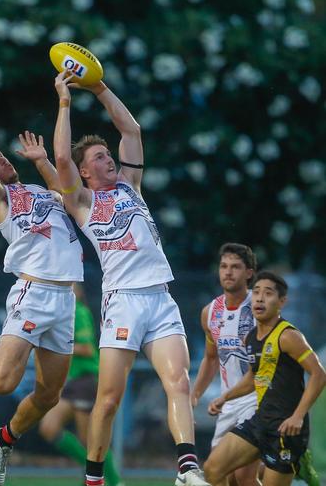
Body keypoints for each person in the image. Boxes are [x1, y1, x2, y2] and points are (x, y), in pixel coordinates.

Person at [52, 71, 208, 486]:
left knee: (178, 380)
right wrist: (65, 102)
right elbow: (62, 160)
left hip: (160, 297)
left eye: (108, 154)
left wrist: (98, 87)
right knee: (107, 400)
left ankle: (187, 467)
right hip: (122, 302)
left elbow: (131, 128)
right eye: (100, 158)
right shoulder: (82, 202)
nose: (109, 160)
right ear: (86, 173)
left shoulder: (131, 186)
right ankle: (94, 478)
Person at [0, 84, 84, 485]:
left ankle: (3, 438)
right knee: (0, 384)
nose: (0, 159)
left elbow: (70, 198)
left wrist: (43, 160)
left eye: (0, 155)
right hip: (32, 294)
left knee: (50, 395)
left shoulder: (38, 190)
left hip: (65, 300)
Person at [204, 271, 326, 486]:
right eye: (257, 292)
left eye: (268, 293)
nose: (259, 298)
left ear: (281, 302)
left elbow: (318, 374)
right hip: (260, 421)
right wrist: (226, 397)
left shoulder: (289, 336)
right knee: (212, 469)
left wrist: (298, 416)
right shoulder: (251, 337)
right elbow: (253, 377)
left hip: (287, 428)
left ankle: (300, 460)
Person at [38, 283, 122, 486]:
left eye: (71, 285)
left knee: (90, 440)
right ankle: (91, 472)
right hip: (73, 383)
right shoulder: (61, 314)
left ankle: (115, 482)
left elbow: (86, 349)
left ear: (78, 291)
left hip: (86, 381)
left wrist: (56, 345)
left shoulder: (80, 312)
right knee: (49, 427)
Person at [191, 243, 260, 485]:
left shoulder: (260, 307)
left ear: (249, 273)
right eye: (223, 266)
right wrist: (194, 396)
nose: (228, 272)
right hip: (228, 403)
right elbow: (211, 358)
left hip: (258, 400)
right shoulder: (210, 312)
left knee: (242, 475)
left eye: (236, 267)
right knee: (220, 475)